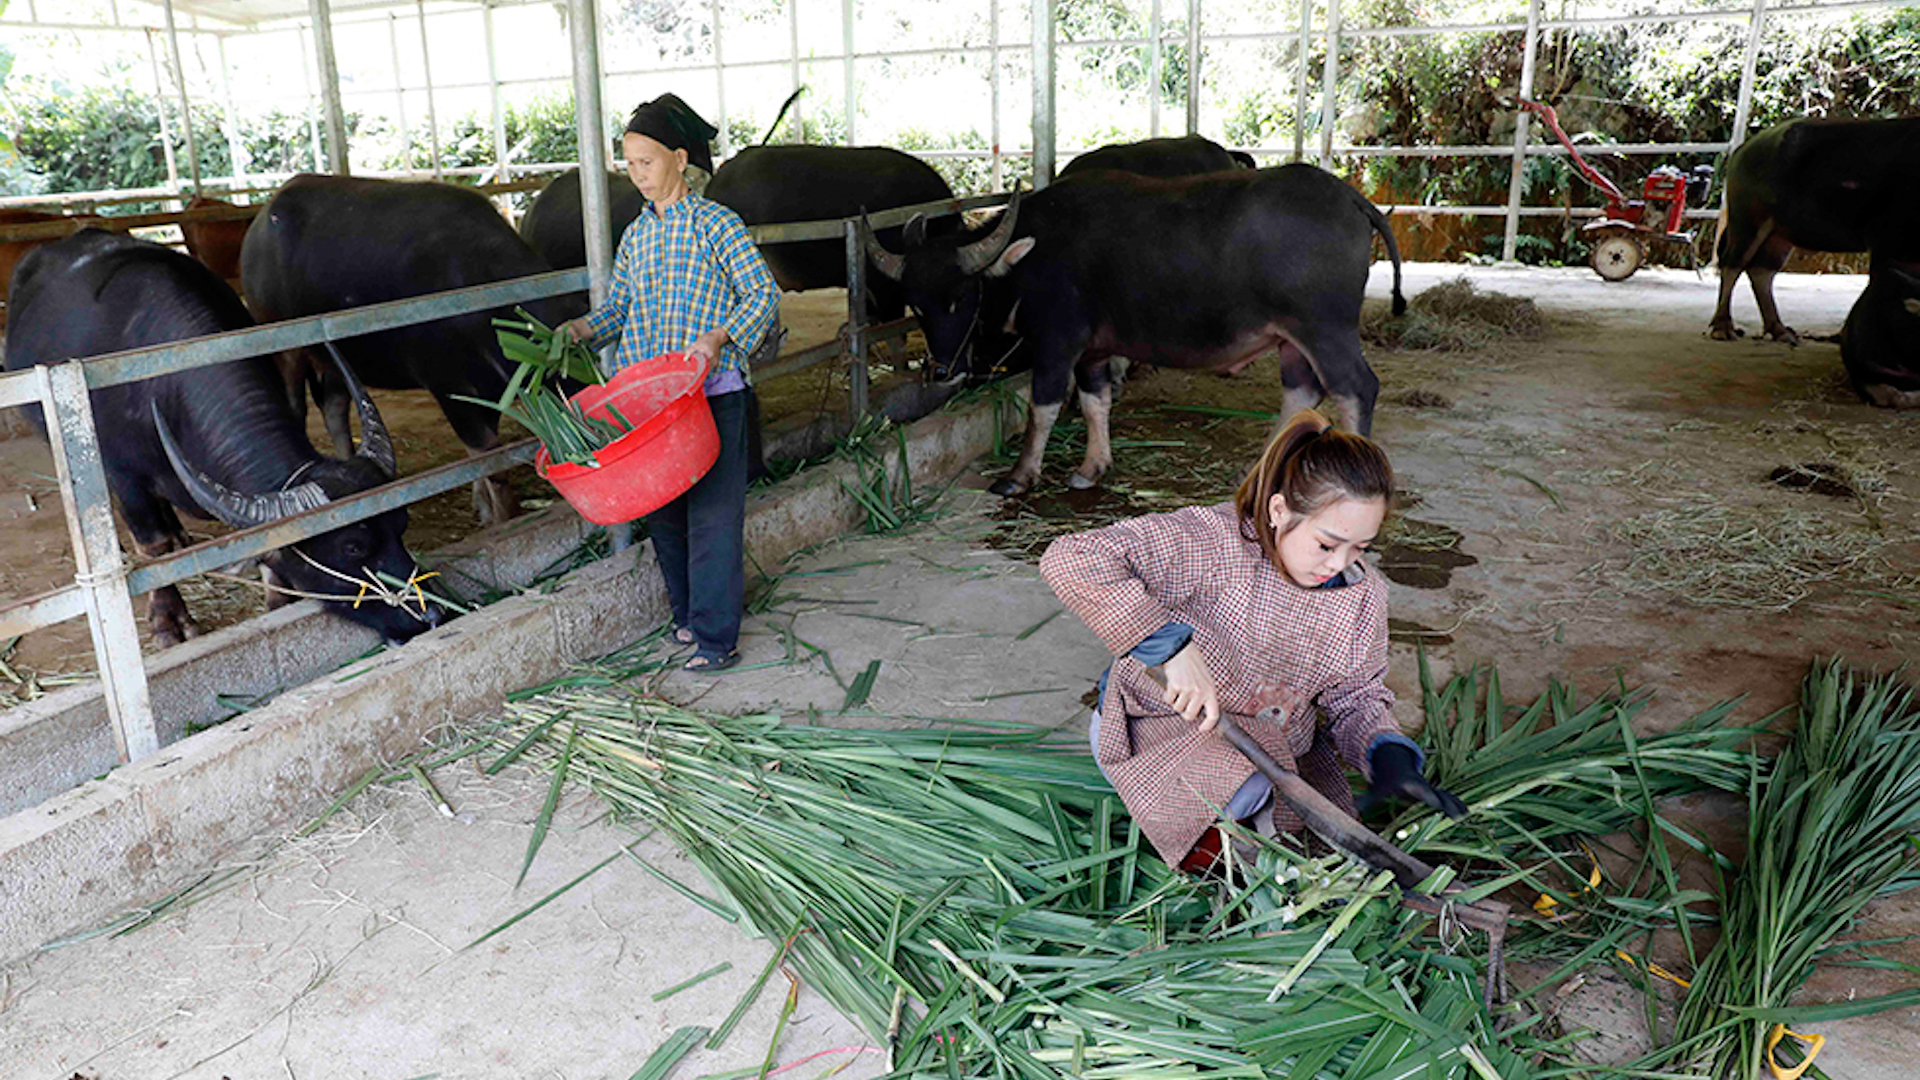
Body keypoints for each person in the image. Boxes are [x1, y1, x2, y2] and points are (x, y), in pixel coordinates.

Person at [1039, 410, 1466, 873]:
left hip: (1271, 746)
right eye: (1326, 545)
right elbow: (1073, 557)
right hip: (1158, 727)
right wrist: (1172, 648)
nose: (1339, 562)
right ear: (1280, 510)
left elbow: (1357, 695)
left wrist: (1389, 756)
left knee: (1296, 803)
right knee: (1247, 784)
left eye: (1360, 547)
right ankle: (1209, 861)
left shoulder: (1361, 594)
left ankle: (1251, 844)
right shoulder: (1214, 543)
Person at [568, 94, 781, 672]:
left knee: (713, 515)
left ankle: (716, 640)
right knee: (662, 510)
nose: (637, 174)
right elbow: (620, 309)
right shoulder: (637, 236)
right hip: (648, 403)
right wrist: (582, 329)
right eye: (629, 163)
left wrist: (718, 339)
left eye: (647, 161)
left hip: (711, 395)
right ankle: (687, 617)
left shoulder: (717, 224)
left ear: (679, 158)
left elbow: (763, 294)